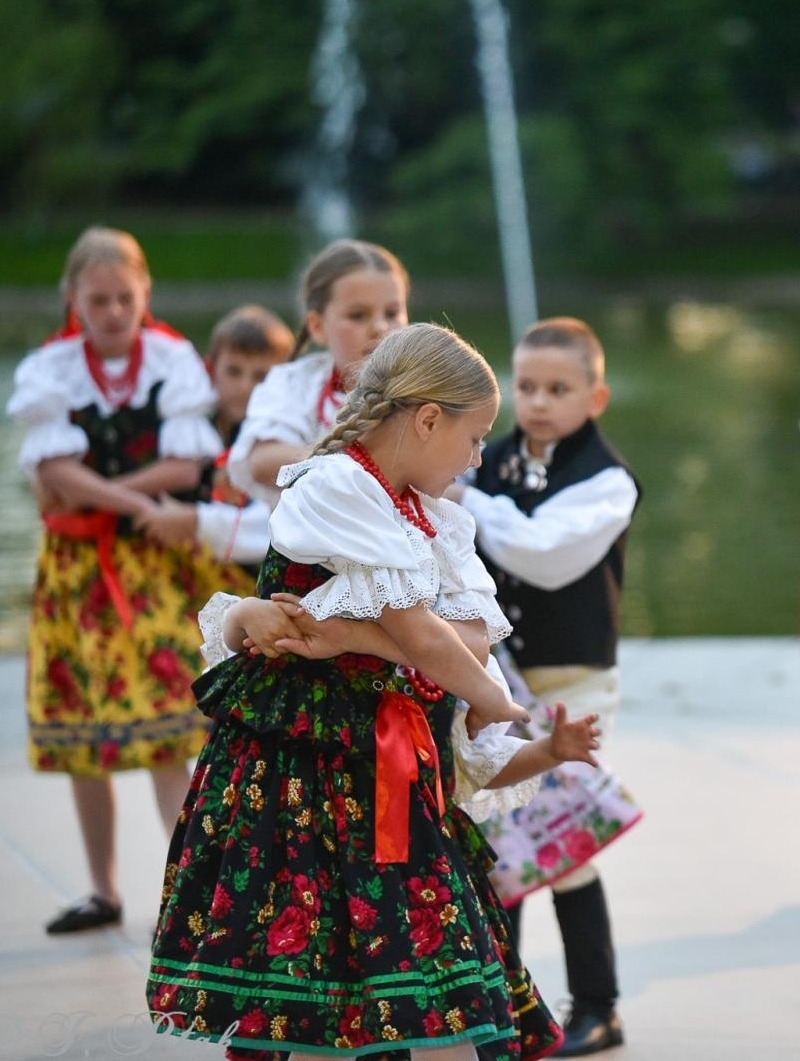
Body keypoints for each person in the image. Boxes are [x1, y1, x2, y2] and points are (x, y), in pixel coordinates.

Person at [146, 324, 564, 1059]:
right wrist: (498, 702)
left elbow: (466, 641)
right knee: (309, 982)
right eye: (473, 437)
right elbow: (425, 636)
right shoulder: (336, 485)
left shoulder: (432, 518)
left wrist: (356, 639)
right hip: (303, 770)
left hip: (391, 772)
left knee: (428, 984)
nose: (477, 457)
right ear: (427, 418)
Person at [6, 226, 224, 935]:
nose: (111, 312)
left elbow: (187, 466)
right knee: (82, 727)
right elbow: (49, 475)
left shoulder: (171, 359)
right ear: (73, 298)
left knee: (169, 725)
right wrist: (137, 501)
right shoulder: (51, 369)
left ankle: (192, 893)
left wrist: (101, 490)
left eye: (123, 298)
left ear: (144, 294)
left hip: (157, 567)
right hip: (80, 570)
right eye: (97, 299)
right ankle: (103, 889)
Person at [452, 317, 643, 1057]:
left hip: (572, 679)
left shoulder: (606, 480)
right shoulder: (485, 460)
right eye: (526, 386)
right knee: (500, 835)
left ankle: (599, 1003)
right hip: (495, 674)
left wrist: (475, 506)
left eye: (558, 390)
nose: (538, 402)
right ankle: (503, 1001)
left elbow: (546, 557)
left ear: (595, 396)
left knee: (559, 837)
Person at [228, 239, 409, 508]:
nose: (380, 327)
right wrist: (366, 465)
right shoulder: (294, 383)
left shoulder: (424, 387)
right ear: (317, 326)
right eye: (358, 315)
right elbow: (265, 461)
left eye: (392, 313)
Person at [138, 304, 297, 580]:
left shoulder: (283, 439)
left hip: (254, 579)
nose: (246, 387)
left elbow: (282, 527)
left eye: (261, 377)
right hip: (179, 570)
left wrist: (193, 520)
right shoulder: (186, 426)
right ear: (211, 370)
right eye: (234, 372)